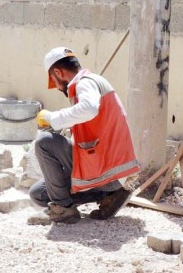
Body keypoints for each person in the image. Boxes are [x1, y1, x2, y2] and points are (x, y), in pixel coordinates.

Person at [28, 47, 140, 225]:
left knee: (44, 142)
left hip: (105, 167)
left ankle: (64, 209)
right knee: (38, 193)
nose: (57, 88)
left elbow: (89, 109)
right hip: (109, 173)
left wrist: (51, 117)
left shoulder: (85, 83)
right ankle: (111, 195)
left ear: (58, 72)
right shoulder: (93, 83)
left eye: (54, 82)